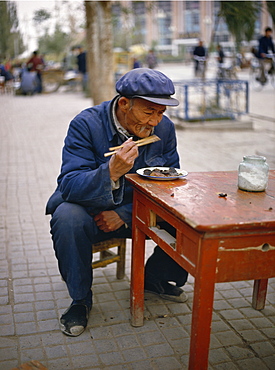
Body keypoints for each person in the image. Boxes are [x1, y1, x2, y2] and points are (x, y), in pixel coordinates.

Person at [46, 68, 188, 337]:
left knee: (188, 214)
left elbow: (170, 182)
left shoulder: (164, 129)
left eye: (161, 112)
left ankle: (155, 278)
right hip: (91, 210)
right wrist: (110, 171)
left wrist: (124, 213)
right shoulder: (86, 124)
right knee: (66, 217)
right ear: (124, 103)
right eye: (149, 112)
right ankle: (80, 300)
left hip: (137, 211)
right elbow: (70, 183)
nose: (156, 121)